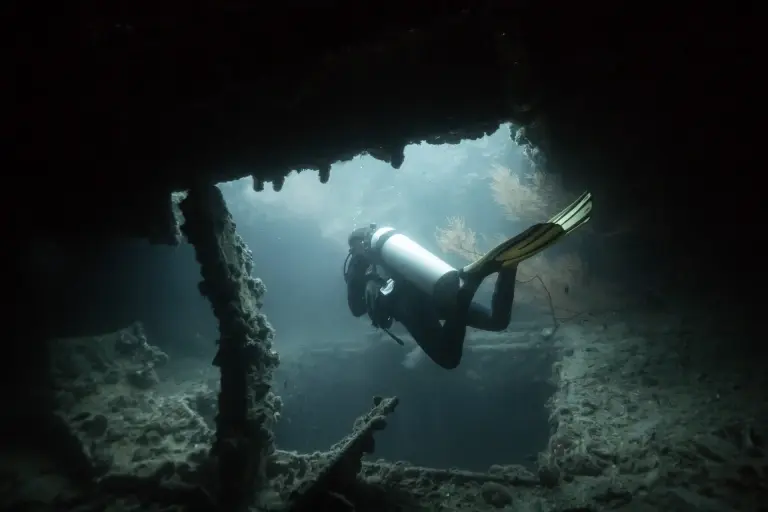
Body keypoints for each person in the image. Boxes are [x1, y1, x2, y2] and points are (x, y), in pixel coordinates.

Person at [344, 191, 593, 369]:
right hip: (433, 288)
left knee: (448, 359)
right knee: (496, 322)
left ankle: (465, 292)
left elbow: (356, 309)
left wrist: (356, 276)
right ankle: (509, 267)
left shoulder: (360, 264)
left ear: (357, 247)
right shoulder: (387, 257)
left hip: (409, 303)